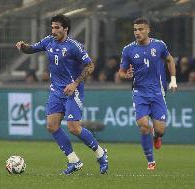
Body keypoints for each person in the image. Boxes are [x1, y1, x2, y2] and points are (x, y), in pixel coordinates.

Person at [16, 14, 108, 175]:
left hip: (73, 92)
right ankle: (74, 161)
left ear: (65, 28)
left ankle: (101, 153)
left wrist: (75, 83)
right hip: (56, 91)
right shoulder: (48, 41)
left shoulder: (74, 46)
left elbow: (90, 66)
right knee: (52, 126)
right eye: (52, 27)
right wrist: (23, 47)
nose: (53, 30)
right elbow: (31, 49)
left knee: (74, 128)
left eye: (57, 27)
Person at [118, 18, 177, 170]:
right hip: (140, 93)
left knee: (160, 130)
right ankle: (151, 161)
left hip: (158, 93)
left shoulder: (159, 45)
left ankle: (157, 137)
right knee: (144, 125)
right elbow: (121, 73)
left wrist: (173, 80)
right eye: (135, 30)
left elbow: (170, 60)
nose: (137, 32)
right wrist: (127, 75)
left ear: (148, 30)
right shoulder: (128, 50)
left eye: (141, 29)